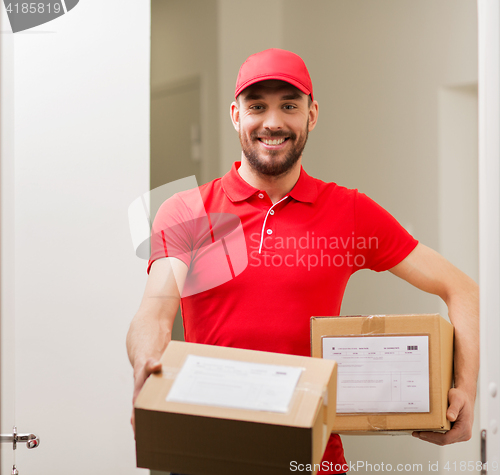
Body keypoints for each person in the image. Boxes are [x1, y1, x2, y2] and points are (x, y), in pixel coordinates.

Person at [127, 48, 479, 474]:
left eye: (288, 106)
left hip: (315, 462)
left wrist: (465, 389)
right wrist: (145, 368)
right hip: (210, 455)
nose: (272, 122)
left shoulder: (349, 211)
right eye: (257, 106)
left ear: (311, 115)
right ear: (236, 115)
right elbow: (155, 313)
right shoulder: (188, 210)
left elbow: (462, 289)